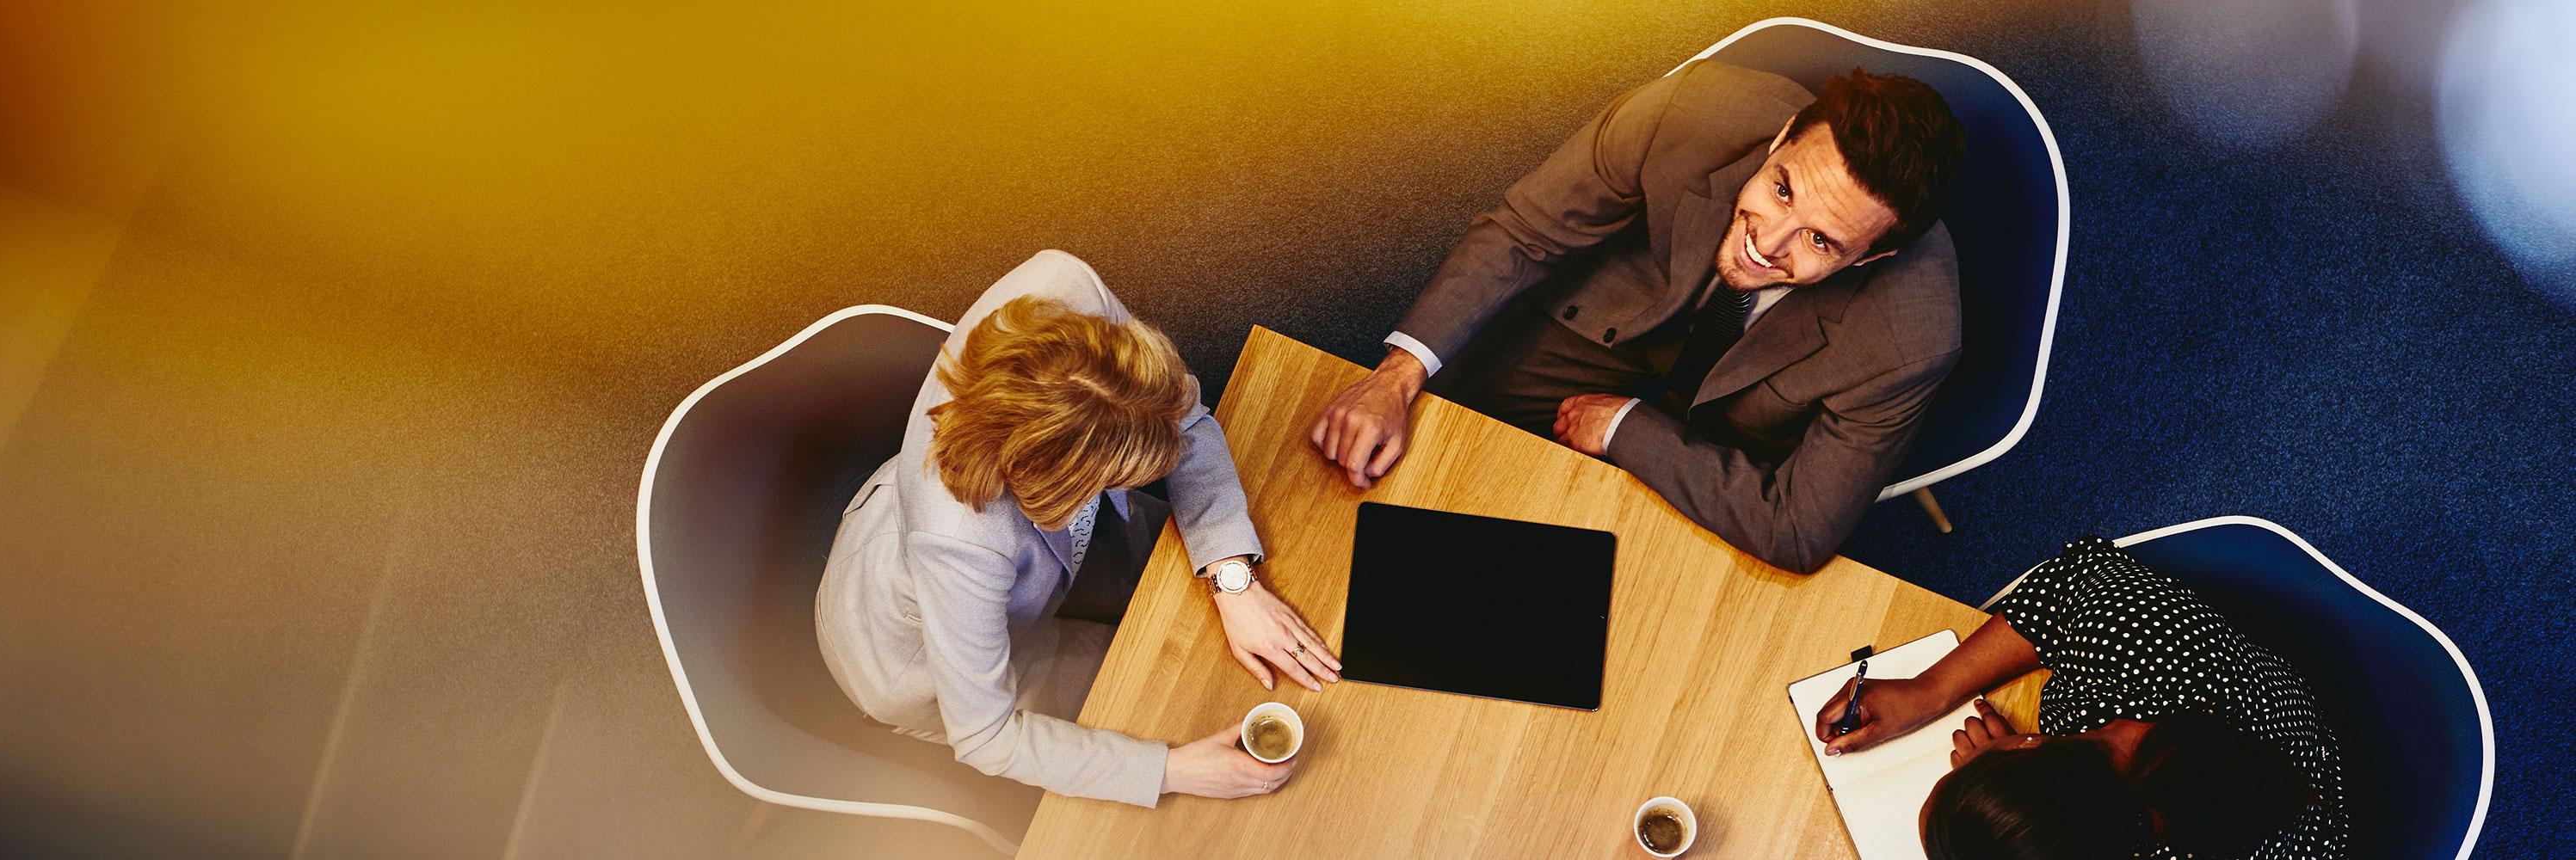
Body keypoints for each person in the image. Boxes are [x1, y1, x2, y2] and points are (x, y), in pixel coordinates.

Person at [1309, 61, 1969, 573]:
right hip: (1610, 318)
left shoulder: (1914, 336)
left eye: (1821, 241)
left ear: (1869, 257)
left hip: (1735, 425)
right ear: (1782, 137)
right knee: (1404, 455)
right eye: (1781, 189)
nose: (1768, 244)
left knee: (1653, 600)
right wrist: (1395, 377)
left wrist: (1627, 429)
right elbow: (1523, 235)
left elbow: (1795, 528)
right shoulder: (1689, 110)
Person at [815, 249, 1342, 808]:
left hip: (1042, 541)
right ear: (1062, 485)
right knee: (1159, 700)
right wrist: (1172, 770)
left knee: (1196, 627)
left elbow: (1182, 417)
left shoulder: (1064, 291)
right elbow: (987, 736)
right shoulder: (962, 544)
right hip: (926, 651)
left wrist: (1231, 576)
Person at [1812, 538, 2347, 859]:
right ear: (2028, 747)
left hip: (2305, 774)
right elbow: (2072, 579)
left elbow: (2074, 580)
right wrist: (1930, 690)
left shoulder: (2144, 649)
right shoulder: (2129, 657)